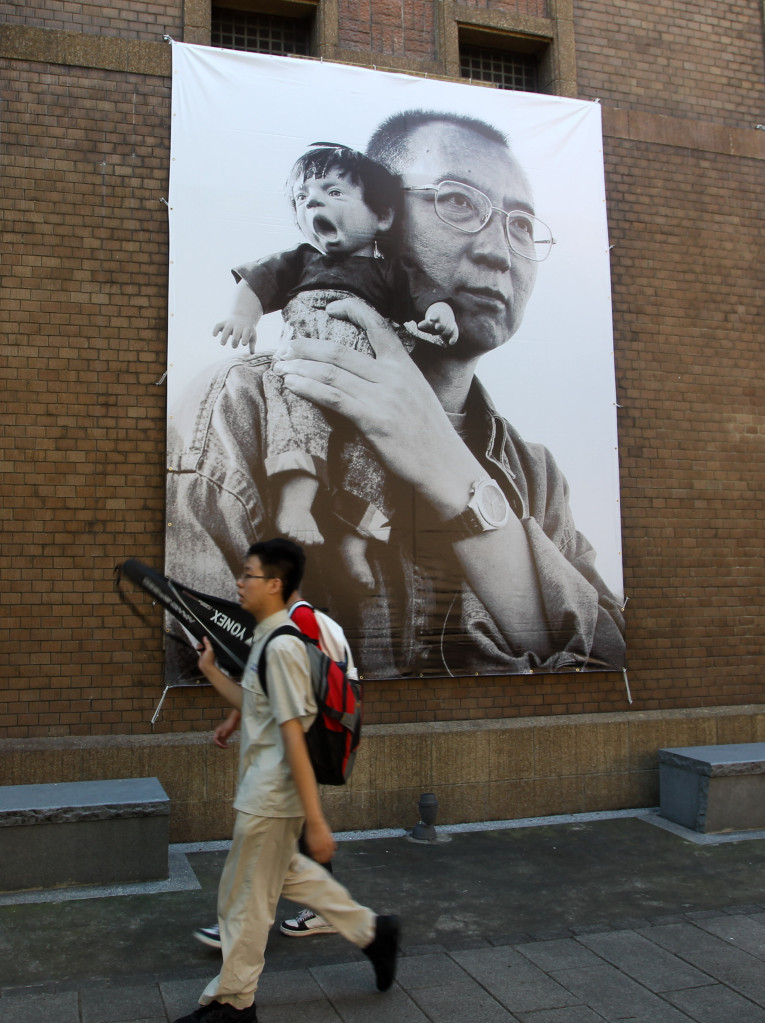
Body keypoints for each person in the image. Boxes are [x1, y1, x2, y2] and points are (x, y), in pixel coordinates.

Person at [166, 110, 625, 681]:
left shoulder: (536, 476)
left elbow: (605, 664)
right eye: (459, 202)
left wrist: (449, 469)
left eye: (523, 225)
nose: (499, 252)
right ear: (386, 215)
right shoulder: (237, 409)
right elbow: (210, 675)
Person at [172, 537, 399, 1023]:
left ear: (274, 584)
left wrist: (315, 821)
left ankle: (234, 1003)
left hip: (272, 796)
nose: (240, 581)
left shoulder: (284, 645)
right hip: (263, 792)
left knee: (245, 903)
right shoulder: (267, 637)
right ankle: (374, 933)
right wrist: (211, 671)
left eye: (249, 574)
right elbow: (258, 706)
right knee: (289, 878)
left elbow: (294, 735)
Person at [212, 142, 457, 590]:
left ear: (381, 217)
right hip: (309, 366)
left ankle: (355, 541)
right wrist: (243, 316)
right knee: (298, 417)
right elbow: (255, 282)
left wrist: (440, 313)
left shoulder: (392, 272)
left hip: (371, 384)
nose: (314, 203)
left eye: (333, 193)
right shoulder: (302, 261)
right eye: (303, 199)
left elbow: (426, 298)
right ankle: (296, 502)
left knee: (377, 454)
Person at [193, 589, 346, 949]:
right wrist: (234, 719)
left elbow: (289, 687)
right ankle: (348, 918)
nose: (244, 586)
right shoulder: (283, 624)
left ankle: (239, 924)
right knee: (279, 837)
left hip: (297, 737)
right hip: (289, 737)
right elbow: (266, 684)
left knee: (266, 836)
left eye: (253, 576)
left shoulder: (298, 622)